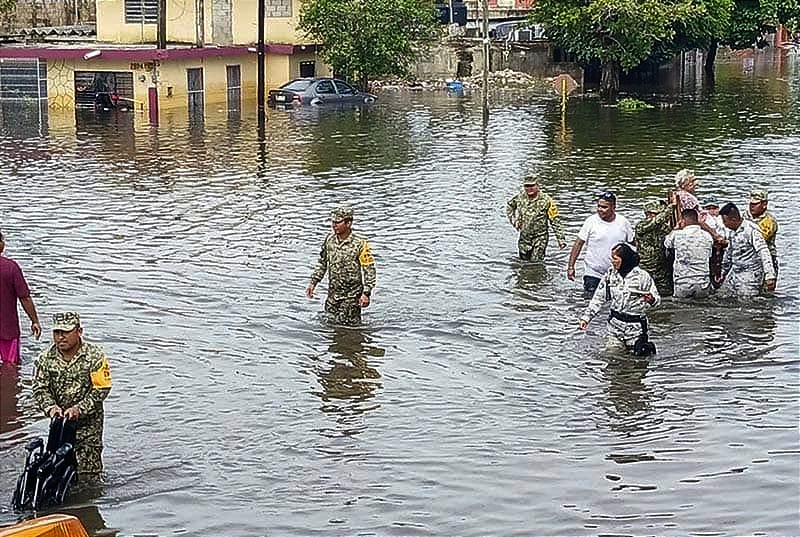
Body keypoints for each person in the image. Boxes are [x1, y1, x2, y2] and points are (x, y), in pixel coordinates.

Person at [32, 312, 112, 476]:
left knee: (89, 473)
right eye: (57, 332)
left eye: (65, 332)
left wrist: (80, 409)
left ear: (79, 331)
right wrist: (50, 407)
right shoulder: (45, 359)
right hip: (60, 425)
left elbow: (102, 388)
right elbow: (40, 388)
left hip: (89, 426)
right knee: (57, 469)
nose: (60, 337)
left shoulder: (95, 356)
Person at [578, 243, 661, 355]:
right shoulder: (610, 275)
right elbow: (598, 298)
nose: (612, 261)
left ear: (624, 259)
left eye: (615, 258)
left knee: (637, 362)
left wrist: (651, 299)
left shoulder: (643, 277)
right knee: (612, 357)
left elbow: (657, 301)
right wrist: (586, 318)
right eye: (612, 258)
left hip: (636, 329)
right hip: (615, 328)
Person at [306, 206, 377, 326]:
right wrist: (313, 283)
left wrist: (366, 293)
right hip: (333, 294)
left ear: (348, 223)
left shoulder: (360, 244)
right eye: (333, 222)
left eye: (338, 222)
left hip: (352, 295)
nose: (334, 225)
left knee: (349, 327)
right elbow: (322, 263)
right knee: (330, 324)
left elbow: (369, 270)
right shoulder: (329, 240)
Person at [567, 191, 634, 297]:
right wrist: (571, 266)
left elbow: (633, 244)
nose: (600, 210)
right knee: (590, 301)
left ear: (613, 207)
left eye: (604, 207)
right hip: (593, 272)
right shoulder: (591, 221)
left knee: (614, 304)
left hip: (617, 274)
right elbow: (578, 244)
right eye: (598, 206)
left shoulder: (623, 222)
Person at [0, 229, 42, 365]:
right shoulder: (11, 268)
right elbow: (25, 298)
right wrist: (34, 321)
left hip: (7, 329)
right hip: (7, 330)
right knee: (10, 367)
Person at [717, 203, 776, 298]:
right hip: (735, 273)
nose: (724, 224)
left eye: (725, 221)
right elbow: (729, 254)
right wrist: (722, 273)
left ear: (734, 219)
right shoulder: (732, 232)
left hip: (750, 275)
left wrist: (769, 275)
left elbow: (764, 252)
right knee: (721, 296)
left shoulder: (751, 231)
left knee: (746, 303)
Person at [506, 175, 566, 261]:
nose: (529, 188)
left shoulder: (547, 200)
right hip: (524, 237)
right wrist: (513, 219)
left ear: (538, 186)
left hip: (540, 237)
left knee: (535, 263)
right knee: (523, 262)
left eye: (532, 186)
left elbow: (555, 220)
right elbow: (510, 206)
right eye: (527, 186)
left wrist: (561, 239)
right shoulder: (520, 197)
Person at [664, 209, 714, 299]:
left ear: (683, 220)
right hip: (703, 282)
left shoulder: (677, 235)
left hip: (683, 282)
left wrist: (675, 228)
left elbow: (667, 244)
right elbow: (709, 255)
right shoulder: (707, 236)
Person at [634, 199, 675, 297]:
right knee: (643, 292)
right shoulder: (641, 225)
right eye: (656, 213)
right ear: (648, 213)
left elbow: (671, 235)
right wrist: (670, 208)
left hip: (660, 266)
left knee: (666, 293)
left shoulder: (662, 227)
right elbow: (656, 222)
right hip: (645, 266)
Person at [673, 169, 723, 241]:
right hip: (700, 229)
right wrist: (715, 235)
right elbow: (698, 220)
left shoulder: (681, 195)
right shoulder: (687, 198)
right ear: (684, 184)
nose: (696, 183)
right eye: (692, 181)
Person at [747, 189, 778, 276]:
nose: (752, 207)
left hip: (766, 259)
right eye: (751, 204)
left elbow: (759, 239)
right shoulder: (745, 215)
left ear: (764, 204)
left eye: (755, 204)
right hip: (748, 259)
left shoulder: (769, 221)